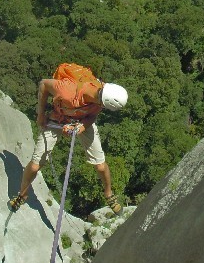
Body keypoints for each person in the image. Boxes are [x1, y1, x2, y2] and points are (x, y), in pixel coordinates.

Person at [8, 69, 128, 215]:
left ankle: (108, 194)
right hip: (57, 118)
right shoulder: (66, 90)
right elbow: (43, 84)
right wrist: (40, 114)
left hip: (81, 122)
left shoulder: (101, 96)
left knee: (101, 166)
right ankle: (23, 194)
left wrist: (82, 127)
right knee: (34, 166)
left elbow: (92, 116)